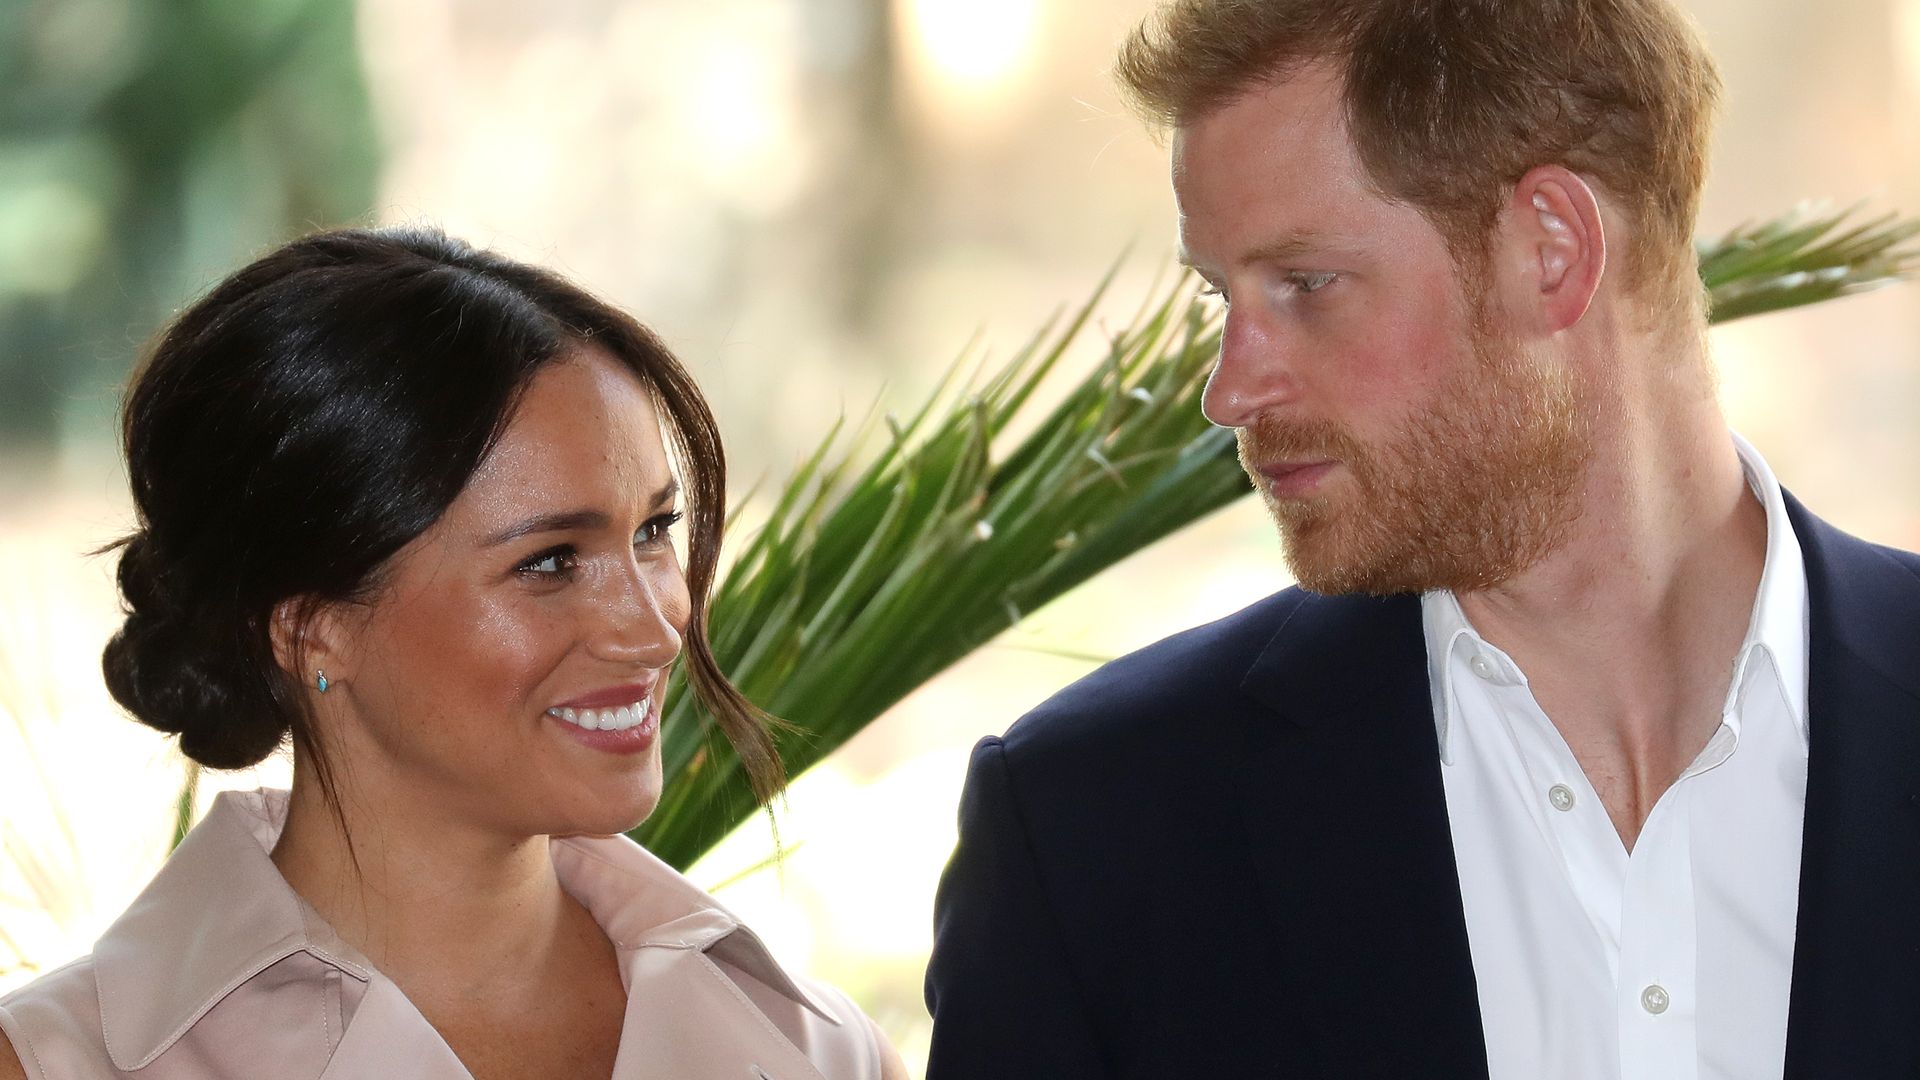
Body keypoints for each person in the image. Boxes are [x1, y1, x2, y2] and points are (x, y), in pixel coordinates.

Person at [925, 1, 1920, 1077]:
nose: (1227, 388)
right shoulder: (1092, 832)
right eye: (1222, 295)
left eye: (1305, 285)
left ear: (1552, 251)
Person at [0, 227, 908, 1080]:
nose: (655, 625)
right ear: (314, 625)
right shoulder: (61, 1063)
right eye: (551, 562)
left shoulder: (814, 1050)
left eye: (655, 531)